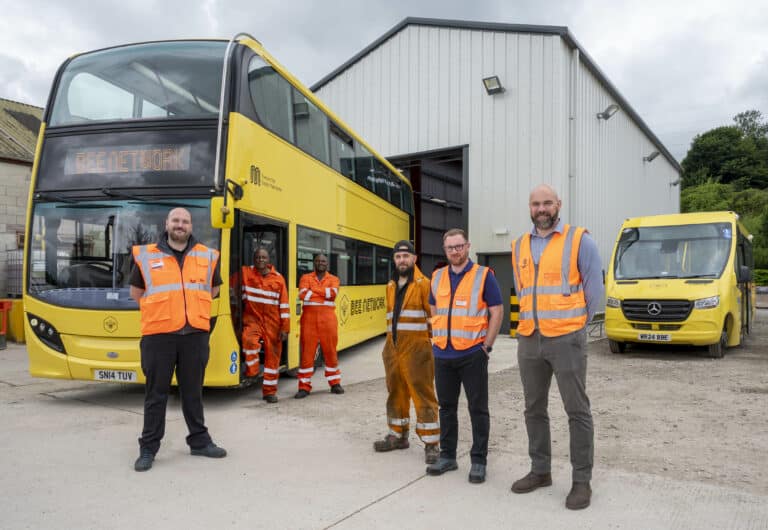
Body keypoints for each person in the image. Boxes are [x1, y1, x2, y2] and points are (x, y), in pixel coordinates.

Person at [509, 184, 604, 510]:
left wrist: (576, 326)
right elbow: (523, 292)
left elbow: (594, 291)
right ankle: (540, 471)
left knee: (576, 410)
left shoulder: (579, 240)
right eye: (536, 203)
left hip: (566, 339)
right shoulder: (519, 244)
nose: (541, 208)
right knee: (533, 408)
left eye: (547, 202)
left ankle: (581, 481)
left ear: (558, 204)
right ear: (530, 207)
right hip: (529, 339)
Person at [129, 207, 226, 472]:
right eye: (176, 220)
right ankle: (148, 448)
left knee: (193, 393)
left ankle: (199, 442)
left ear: (191, 226)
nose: (180, 225)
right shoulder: (145, 256)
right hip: (159, 336)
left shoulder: (207, 256)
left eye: (185, 221)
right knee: (155, 395)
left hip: (194, 335)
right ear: (167, 224)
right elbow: (137, 293)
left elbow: (213, 289)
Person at [426, 228, 503, 484]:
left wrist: (487, 347)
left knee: (477, 409)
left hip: (473, 354)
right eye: (450, 248)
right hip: (443, 355)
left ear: (468, 246)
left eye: (459, 246)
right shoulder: (436, 276)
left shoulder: (484, 276)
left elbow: (497, 311)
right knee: (446, 408)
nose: (455, 251)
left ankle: (479, 461)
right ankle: (448, 456)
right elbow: (434, 307)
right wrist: (438, 336)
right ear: (444, 250)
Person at [373, 240, 440, 464]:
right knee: (396, 392)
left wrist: (431, 345)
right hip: (393, 349)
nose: (402, 260)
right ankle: (397, 435)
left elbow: (434, 318)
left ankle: (431, 443)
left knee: (423, 394)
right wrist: (388, 348)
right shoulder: (391, 285)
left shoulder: (424, 284)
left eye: (406, 256)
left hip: (418, 351)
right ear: (394, 260)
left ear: (414, 258)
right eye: (398, 257)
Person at [241, 247, 290, 403]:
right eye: (257, 257)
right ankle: (253, 371)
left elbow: (284, 305)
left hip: (273, 323)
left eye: (263, 257)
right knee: (248, 341)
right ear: (253, 259)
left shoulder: (278, 279)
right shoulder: (246, 273)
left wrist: (285, 328)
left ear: (269, 260)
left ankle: (269, 392)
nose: (260, 260)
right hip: (253, 319)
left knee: (273, 358)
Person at [295, 253, 344, 398]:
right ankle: (304, 387)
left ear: (327, 264)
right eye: (318, 261)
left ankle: (335, 383)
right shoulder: (305, 277)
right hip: (309, 321)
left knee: (330, 352)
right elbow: (303, 294)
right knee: (306, 354)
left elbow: (332, 294)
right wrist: (323, 294)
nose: (320, 263)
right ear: (314, 263)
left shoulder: (334, 279)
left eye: (323, 261)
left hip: (328, 321)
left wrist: (313, 291)